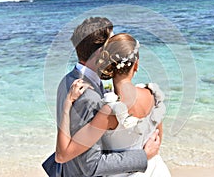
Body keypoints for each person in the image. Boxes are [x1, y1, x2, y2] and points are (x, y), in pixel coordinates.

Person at [42, 17, 161, 177]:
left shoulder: (68, 79)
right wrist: (143, 156)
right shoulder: (88, 96)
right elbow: (91, 164)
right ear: (100, 52)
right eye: (111, 45)